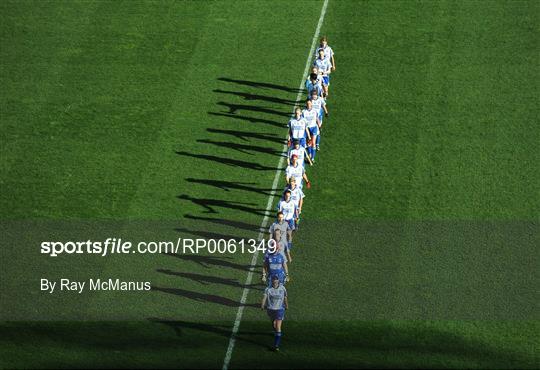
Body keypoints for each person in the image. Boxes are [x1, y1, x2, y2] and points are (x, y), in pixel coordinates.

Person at [261, 275, 288, 351]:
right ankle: (276, 339)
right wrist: (262, 305)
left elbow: (285, 297)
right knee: (275, 324)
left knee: (276, 325)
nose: (275, 282)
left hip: (275, 309)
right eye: (274, 281)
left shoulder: (279, 288)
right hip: (274, 309)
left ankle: (276, 345)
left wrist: (286, 305)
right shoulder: (271, 289)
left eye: (276, 281)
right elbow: (264, 297)